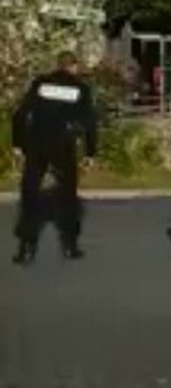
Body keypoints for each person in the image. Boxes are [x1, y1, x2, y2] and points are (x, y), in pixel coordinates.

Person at [11, 51, 98, 265]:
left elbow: (21, 114)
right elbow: (89, 123)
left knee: (30, 195)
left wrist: (18, 143)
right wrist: (89, 153)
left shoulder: (41, 84)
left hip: (37, 143)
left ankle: (26, 249)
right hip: (63, 145)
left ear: (57, 65)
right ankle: (70, 245)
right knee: (68, 195)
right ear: (74, 66)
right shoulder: (80, 88)